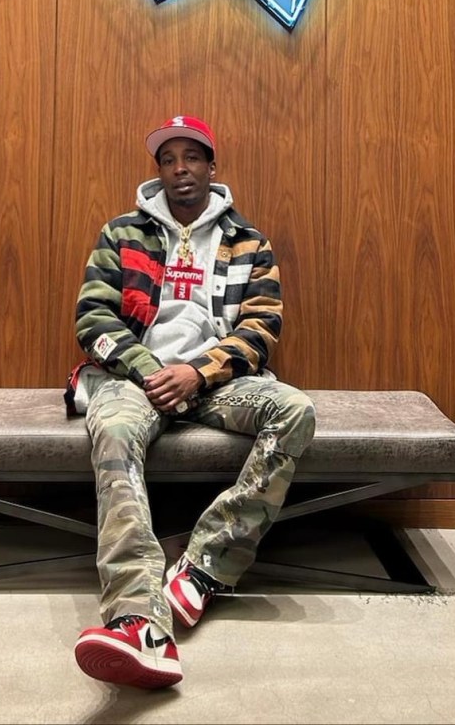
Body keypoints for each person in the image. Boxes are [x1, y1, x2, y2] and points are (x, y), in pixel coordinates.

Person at [65, 114, 316, 689]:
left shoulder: (248, 242)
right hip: (134, 379)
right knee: (114, 431)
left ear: (211, 166)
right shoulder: (121, 233)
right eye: (168, 159)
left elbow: (261, 329)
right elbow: (93, 318)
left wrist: (197, 373)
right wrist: (152, 370)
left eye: (192, 157)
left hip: (214, 381)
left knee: (294, 409)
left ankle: (205, 567)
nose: (180, 168)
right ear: (159, 170)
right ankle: (137, 620)